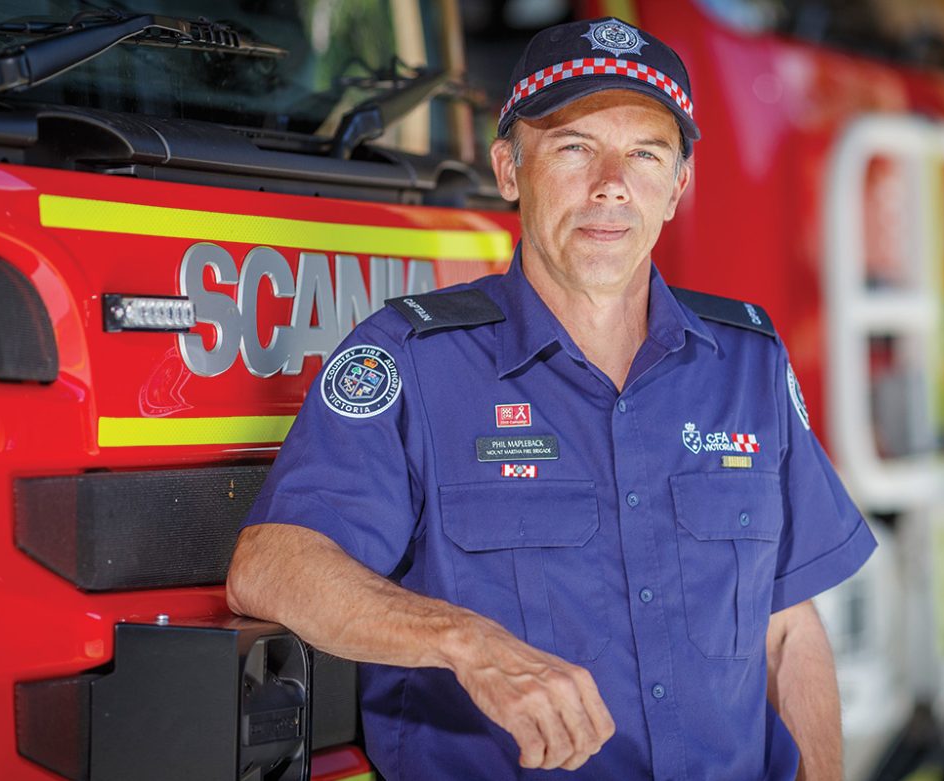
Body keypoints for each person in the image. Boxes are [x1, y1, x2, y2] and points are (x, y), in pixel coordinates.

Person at [227, 16, 876, 781]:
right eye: (574, 148)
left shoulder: (748, 364)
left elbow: (788, 628)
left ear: (679, 186)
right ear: (508, 169)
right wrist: (470, 642)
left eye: (645, 153)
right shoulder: (416, 361)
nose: (611, 183)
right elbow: (270, 564)